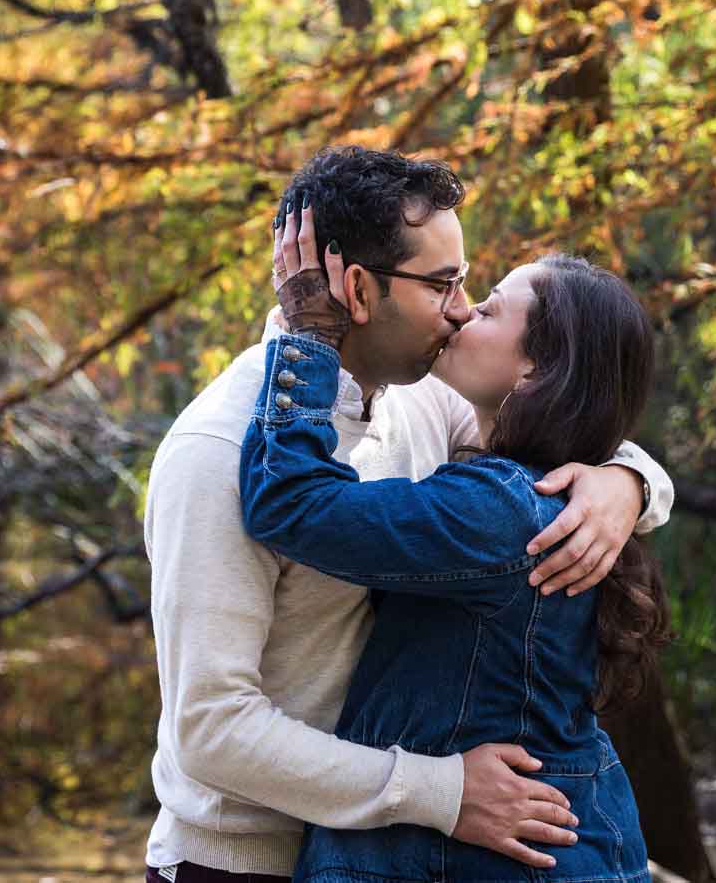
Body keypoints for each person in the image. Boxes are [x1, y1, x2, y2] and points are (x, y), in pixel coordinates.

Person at [144, 148, 674, 883]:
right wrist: (443, 791)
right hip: (248, 862)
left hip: (397, 851)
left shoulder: (421, 391)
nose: (461, 309)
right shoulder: (216, 451)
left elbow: (571, 412)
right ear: (357, 289)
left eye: (471, 288)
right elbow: (210, 730)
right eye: (444, 284)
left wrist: (628, 481)